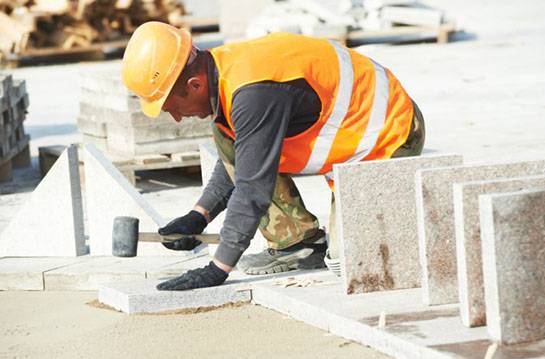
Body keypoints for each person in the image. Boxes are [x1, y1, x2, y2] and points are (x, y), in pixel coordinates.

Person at [121, 22, 425, 291]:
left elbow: (252, 187)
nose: (175, 117)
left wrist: (217, 269)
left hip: (388, 137)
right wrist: (197, 217)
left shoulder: (254, 94)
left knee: (351, 264)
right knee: (227, 132)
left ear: (194, 85)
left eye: (171, 106)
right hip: (348, 136)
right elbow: (238, 161)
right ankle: (298, 244)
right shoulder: (223, 74)